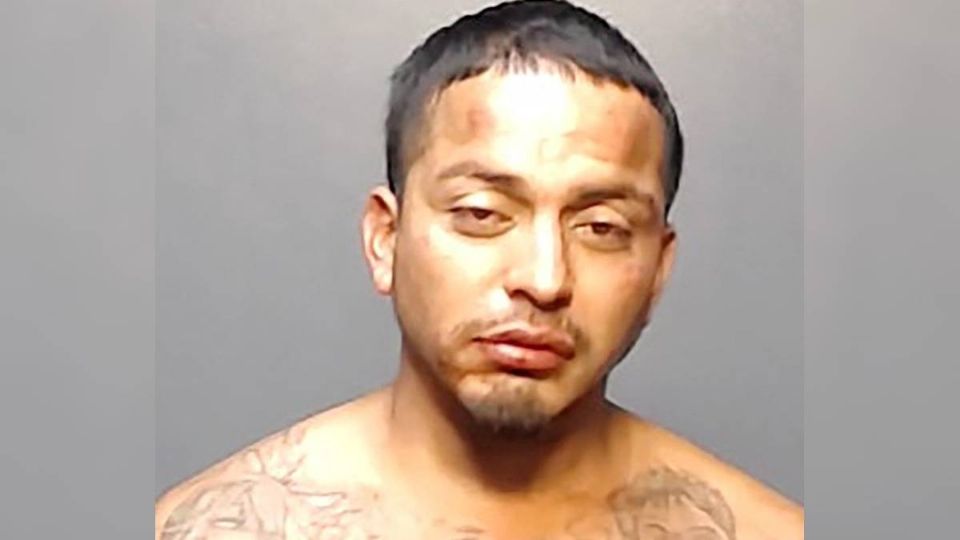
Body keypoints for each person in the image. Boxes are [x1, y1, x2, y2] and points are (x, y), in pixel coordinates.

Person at [155, 1, 803, 538]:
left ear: (658, 271)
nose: (544, 279)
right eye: (482, 213)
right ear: (385, 240)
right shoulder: (217, 527)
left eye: (601, 227)